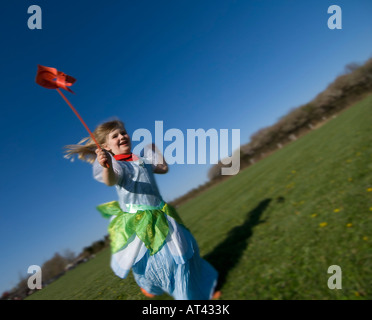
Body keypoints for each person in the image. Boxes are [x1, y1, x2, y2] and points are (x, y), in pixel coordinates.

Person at [65, 119, 219, 300]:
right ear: (106, 146)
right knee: (153, 261)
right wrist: (106, 166)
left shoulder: (142, 160)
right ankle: (151, 286)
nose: (122, 136)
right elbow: (111, 180)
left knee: (184, 251)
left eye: (123, 132)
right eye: (115, 136)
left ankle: (194, 291)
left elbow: (163, 168)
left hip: (161, 214)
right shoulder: (117, 166)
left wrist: (155, 151)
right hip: (139, 222)